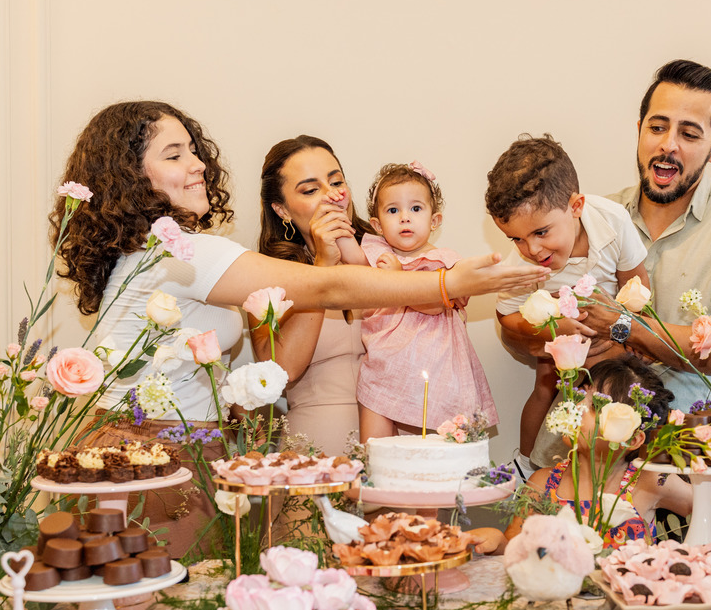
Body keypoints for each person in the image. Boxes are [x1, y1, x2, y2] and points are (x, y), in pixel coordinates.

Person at [49, 102, 548, 558]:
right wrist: (449, 281)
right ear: (130, 178)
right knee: (161, 592)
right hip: (156, 448)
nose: (198, 164)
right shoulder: (188, 254)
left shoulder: (179, 249)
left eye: (194, 151)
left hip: (201, 442)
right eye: (174, 155)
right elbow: (323, 298)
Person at [585, 59, 711, 413]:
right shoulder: (592, 215)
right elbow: (525, 332)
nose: (668, 145)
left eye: (689, 134)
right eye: (657, 127)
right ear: (640, 130)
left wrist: (623, 326)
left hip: (684, 451)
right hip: (575, 445)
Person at [487, 134, 650, 477]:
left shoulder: (612, 221)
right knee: (547, 381)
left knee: (622, 388)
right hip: (558, 333)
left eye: (541, 232)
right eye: (516, 238)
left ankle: (624, 467)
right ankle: (530, 466)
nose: (530, 249)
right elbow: (506, 317)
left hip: (609, 330)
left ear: (576, 207)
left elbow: (637, 286)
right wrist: (549, 332)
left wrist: (625, 330)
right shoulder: (521, 265)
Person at [351, 161, 497, 441]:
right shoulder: (376, 253)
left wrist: (397, 279)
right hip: (385, 363)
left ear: (434, 220)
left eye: (415, 208)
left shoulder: (444, 261)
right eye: (393, 210)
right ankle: (374, 472)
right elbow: (351, 261)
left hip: (434, 363)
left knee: (433, 447)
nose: (405, 217)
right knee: (374, 444)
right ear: (377, 225)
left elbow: (434, 304)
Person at [253, 135, 370, 456]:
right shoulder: (267, 277)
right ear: (282, 209)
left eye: (336, 181)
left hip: (398, 432)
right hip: (317, 442)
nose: (332, 196)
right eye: (310, 189)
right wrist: (322, 266)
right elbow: (280, 371)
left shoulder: (385, 252)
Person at [526, 354, 692, 548]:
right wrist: (497, 542)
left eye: (595, 406)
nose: (577, 407)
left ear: (633, 439)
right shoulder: (542, 484)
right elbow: (516, 541)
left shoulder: (649, 483)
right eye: (581, 396)